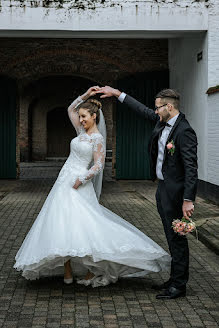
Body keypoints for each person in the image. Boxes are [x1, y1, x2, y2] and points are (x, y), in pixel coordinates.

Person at [14, 86, 170, 288]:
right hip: (63, 183)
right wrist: (86, 95)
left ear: (94, 117)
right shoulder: (80, 131)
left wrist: (82, 178)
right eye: (80, 117)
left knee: (85, 226)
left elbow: (98, 165)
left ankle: (90, 271)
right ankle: (67, 272)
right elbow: (70, 109)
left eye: (84, 117)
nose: (80, 120)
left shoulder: (98, 139)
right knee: (60, 225)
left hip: (79, 183)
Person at [97, 86, 198, 299]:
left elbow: (191, 167)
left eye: (158, 108)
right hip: (162, 189)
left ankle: (179, 286)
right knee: (171, 237)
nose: (155, 112)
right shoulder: (163, 122)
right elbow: (142, 110)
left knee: (177, 238)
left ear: (169, 107)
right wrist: (117, 94)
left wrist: (188, 199)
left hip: (176, 194)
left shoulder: (184, 131)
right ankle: (174, 278)